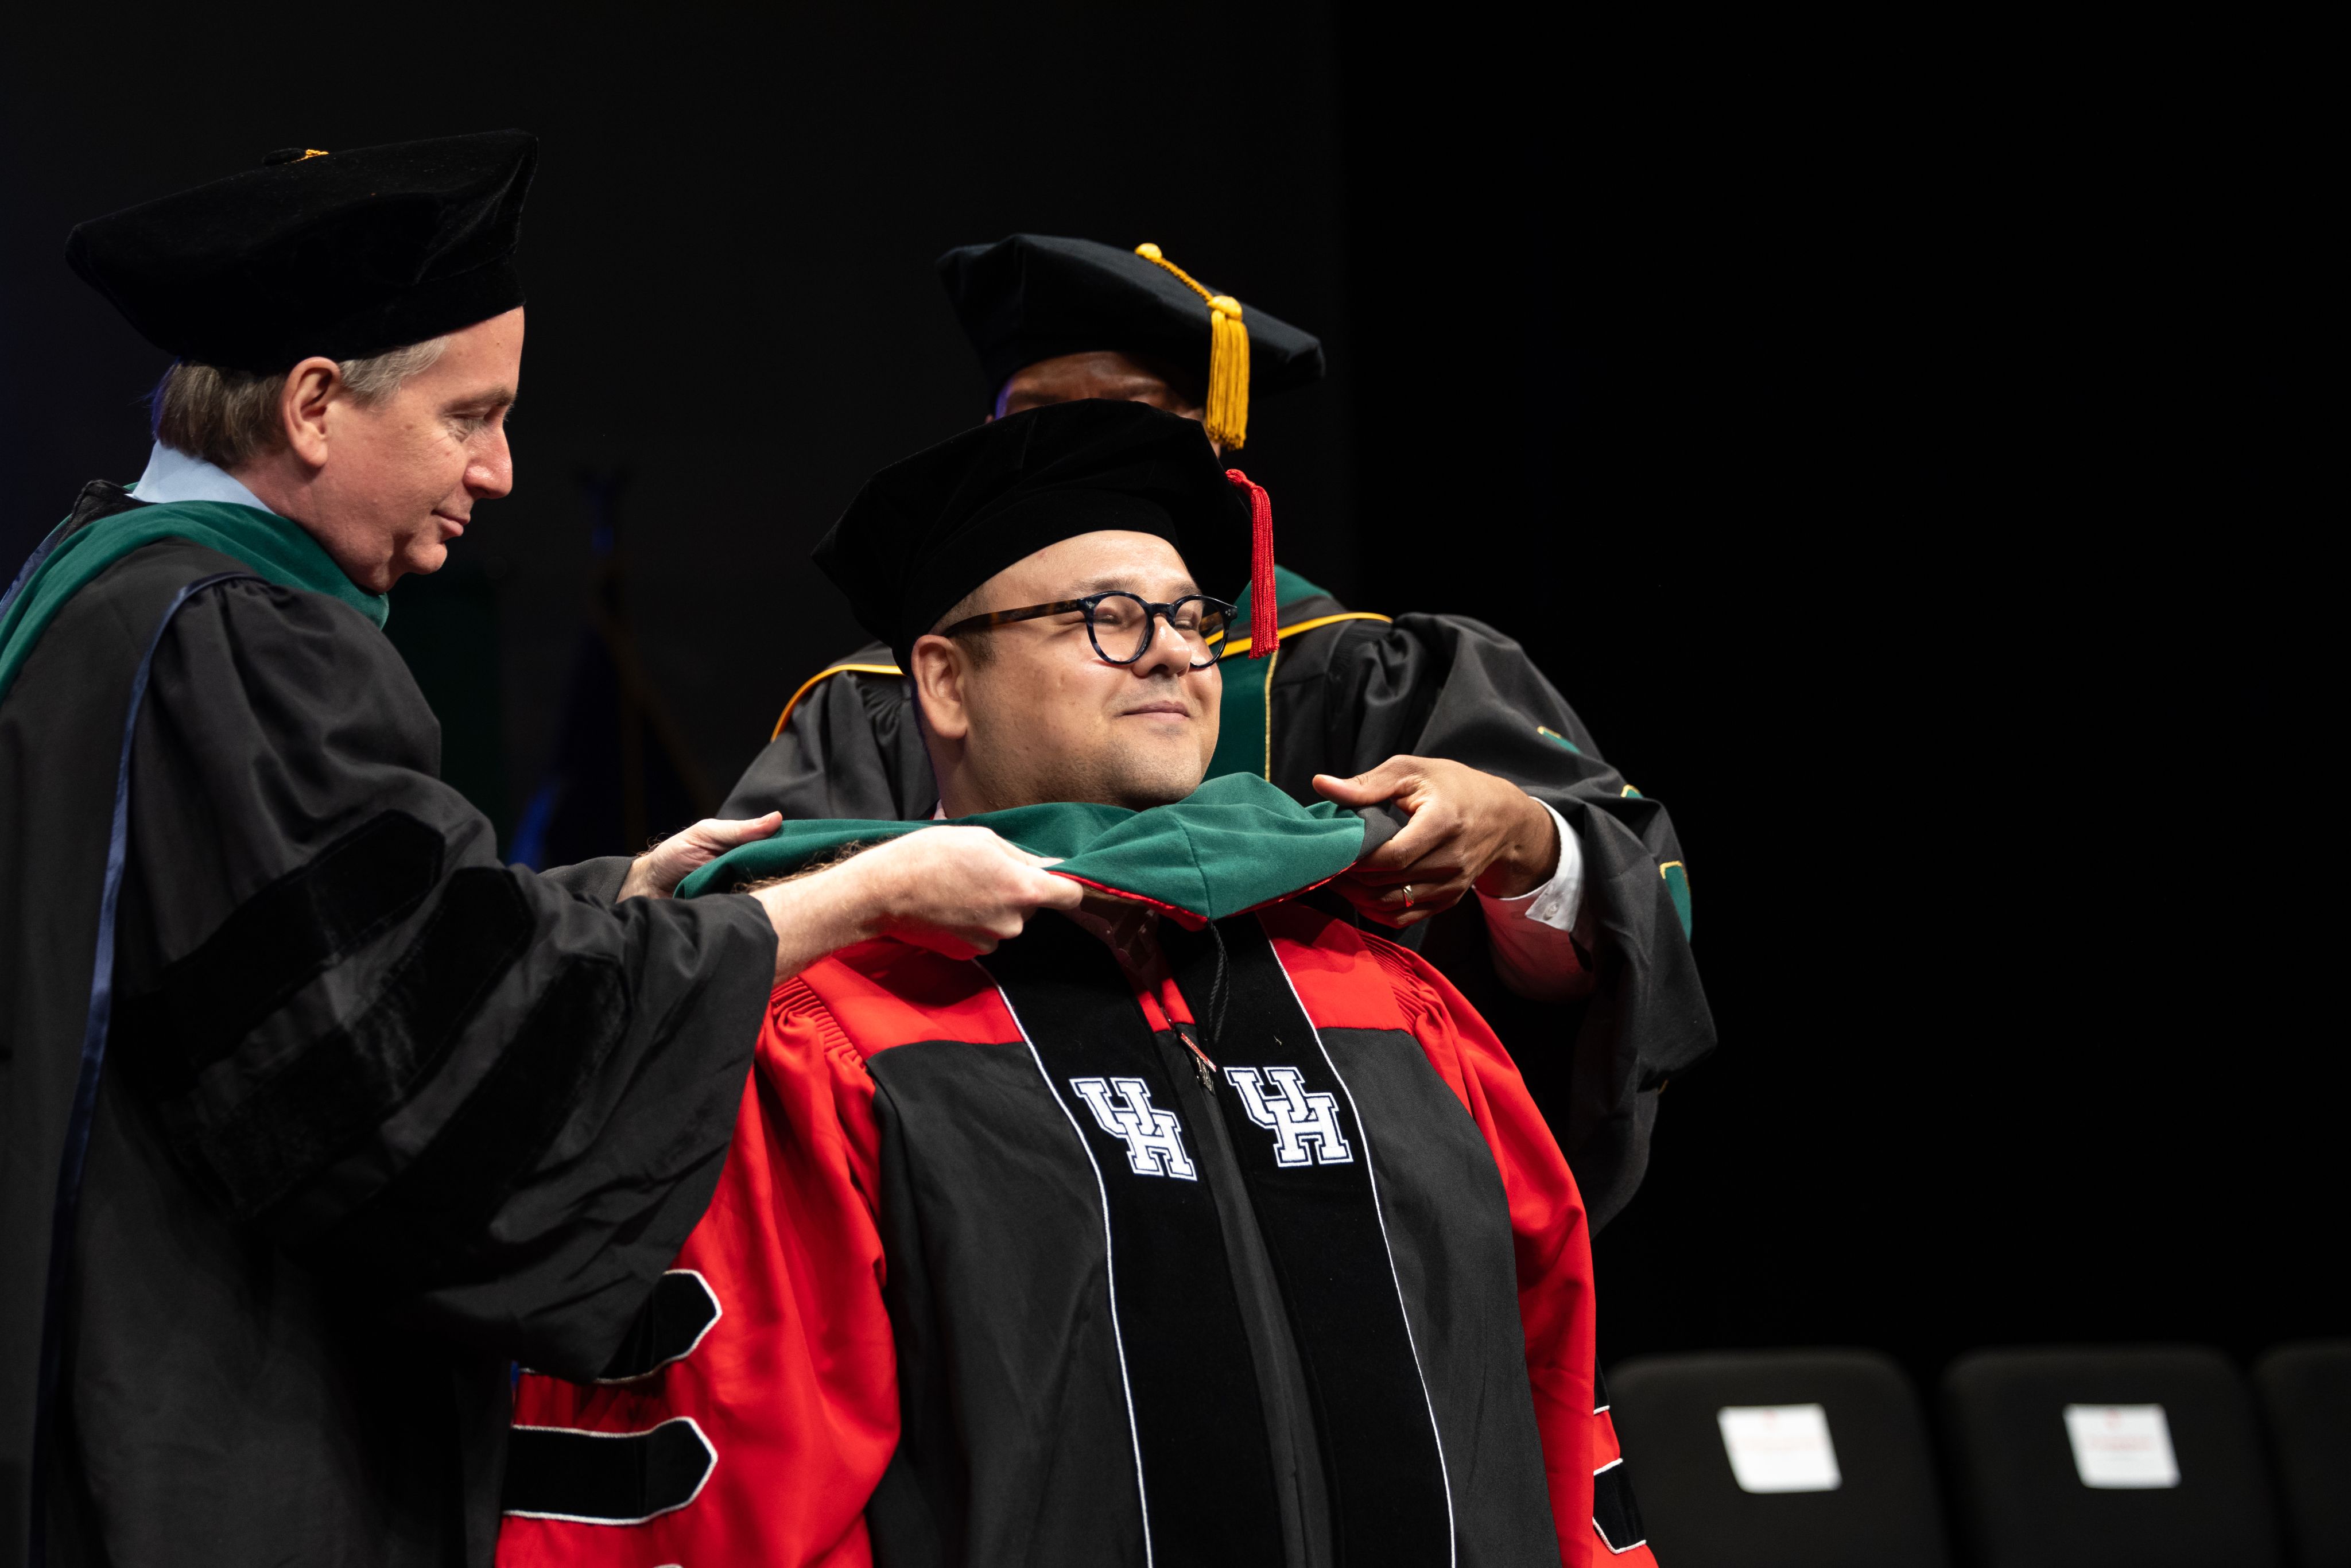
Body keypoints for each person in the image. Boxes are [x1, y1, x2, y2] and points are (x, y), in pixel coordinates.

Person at [0, 133, 1077, 1568]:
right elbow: (400, 1079)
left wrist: (608, 896)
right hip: (209, 1403)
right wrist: (856, 897)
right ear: (315, 404)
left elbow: (332, 957)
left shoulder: (88, 593)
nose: (501, 470)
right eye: (471, 416)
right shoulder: (251, 646)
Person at [501, 399, 1655, 1568]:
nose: (1169, 649)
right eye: (1104, 618)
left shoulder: (1392, 1005)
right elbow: (737, 1504)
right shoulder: (827, 1038)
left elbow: (1548, 1399)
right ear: (944, 683)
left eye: (1193, 621)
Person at [724, 233, 1716, 1232]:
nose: (1079, 453)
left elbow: (1621, 935)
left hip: (1360, 1214)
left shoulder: (1371, 677)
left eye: (1129, 420)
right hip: (1004, 1218)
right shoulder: (882, 699)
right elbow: (741, 972)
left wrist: (1519, 843)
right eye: (1038, 421)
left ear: (1216, 446)